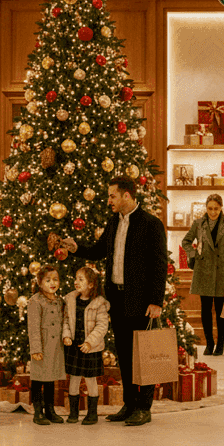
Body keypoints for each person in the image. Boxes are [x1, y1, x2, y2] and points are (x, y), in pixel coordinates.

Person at [63, 175, 167, 427]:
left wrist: (156, 301)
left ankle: (144, 407)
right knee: (124, 353)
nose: (108, 200)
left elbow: (159, 264)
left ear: (126, 195)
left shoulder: (151, 224)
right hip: (117, 299)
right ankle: (130, 404)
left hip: (142, 301)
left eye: (112, 196)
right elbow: (98, 251)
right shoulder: (113, 222)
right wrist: (76, 248)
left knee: (143, 354)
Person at [182, 193, 224, 357]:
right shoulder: (198, 224)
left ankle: (220, 344)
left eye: (216, 209)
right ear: (206, 208)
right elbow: (186, 241)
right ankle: (209, 343)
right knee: (205, 310)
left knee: (221, 312)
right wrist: (193, 254)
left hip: (222, 272)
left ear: (221, 208)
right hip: (204, 270)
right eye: (210, 208)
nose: (213, 212)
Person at [62, 265, 109, 426]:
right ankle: (73, 413)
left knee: (90, 380)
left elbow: (102, 326)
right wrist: (66, 336)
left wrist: (90, 342)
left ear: (91, 284)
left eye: (80, 279)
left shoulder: (99, 304)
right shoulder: (71, 300)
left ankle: (92, 414)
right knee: (73, 379)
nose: (76, 282)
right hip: (74, 347)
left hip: (91, 348)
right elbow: (66, 320)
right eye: (76, 278)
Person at [27, 265, 66, 426]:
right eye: (48, 280)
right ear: (40, 282)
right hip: (42, 345)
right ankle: (38, 411)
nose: (52, 283)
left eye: (55, 280)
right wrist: (36, 348)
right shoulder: (35, 301)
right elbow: (33, 327)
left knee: (50, 377)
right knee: (38, 378)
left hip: (55, 345)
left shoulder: (59, 301)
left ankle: (50, 410)